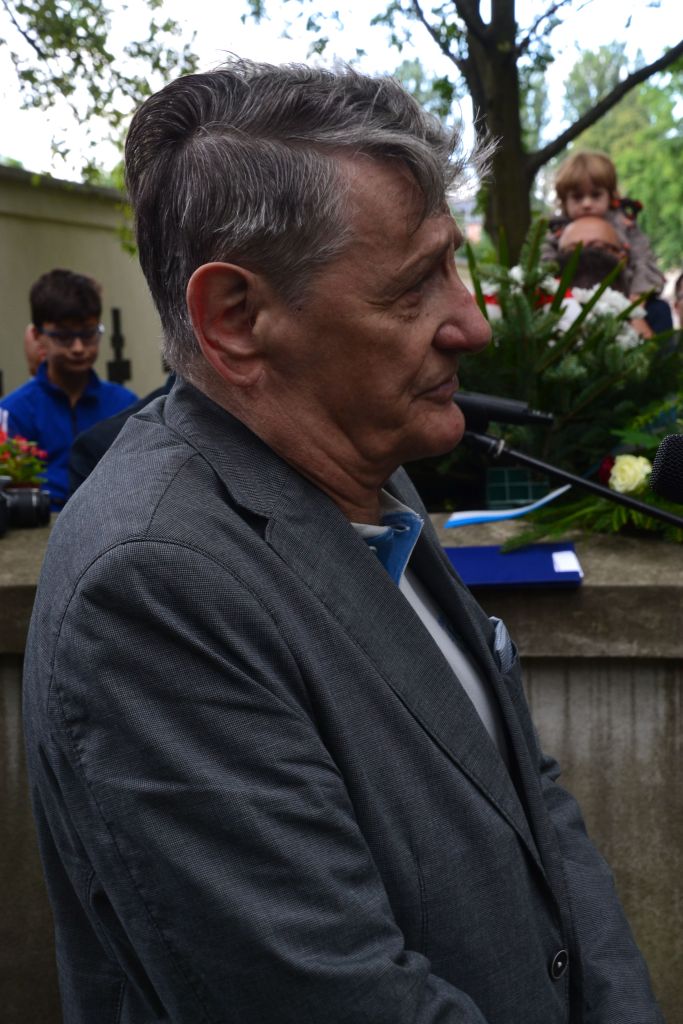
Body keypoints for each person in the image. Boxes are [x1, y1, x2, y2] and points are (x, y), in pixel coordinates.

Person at [22, 61, 663, 1024]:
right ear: (236, 319)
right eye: (414, 286)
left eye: (453, 264)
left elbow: (532, 805)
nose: (471, 323)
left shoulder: (364, 467)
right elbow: (333, 991)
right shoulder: (152, 586)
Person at [0, 269, 137, 509]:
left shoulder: (127, 406)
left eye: (89, 334)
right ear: (37, 335)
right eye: (64, 336)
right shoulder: (13, 413)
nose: (78, 348)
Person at [541, 150, 665, 300]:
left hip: (623, 297)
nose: (587, 204)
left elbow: (643, 259)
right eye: (577, 197)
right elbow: (544, 263)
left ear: (610, 195)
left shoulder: (626, 226)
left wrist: (637, 296)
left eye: (595, 195)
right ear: (564, 201)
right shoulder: (556, 231)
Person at [556, 216, 673, 336]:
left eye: (598, 247)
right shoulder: (545, 306)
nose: (584, 255)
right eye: (572, 250)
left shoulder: (653, 310)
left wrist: (631, 314)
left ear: (622, 257)